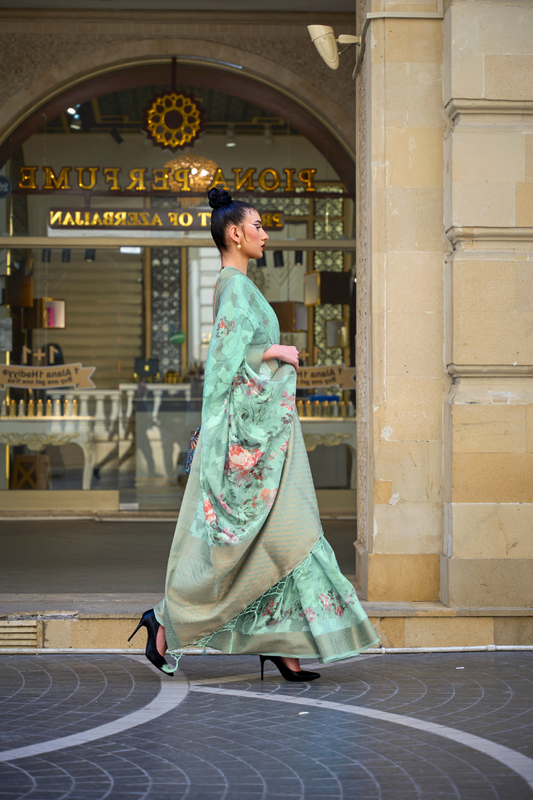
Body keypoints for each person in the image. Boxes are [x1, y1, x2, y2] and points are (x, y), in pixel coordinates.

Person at [129, 187, 379, 682]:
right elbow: (223, 364)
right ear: (234, 233)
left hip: (265, 438)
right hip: (252, 444)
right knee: (270, 539)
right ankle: (167, 618)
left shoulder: (239, 286)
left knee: (280, 539)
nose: (265, 234)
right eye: (258, 226)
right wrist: (274, 353)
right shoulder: (235, 287)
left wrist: (270, 354)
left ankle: (281, 646)